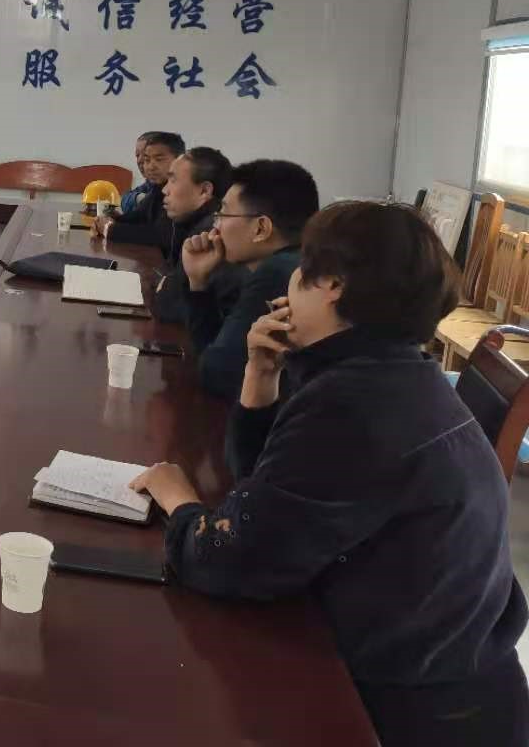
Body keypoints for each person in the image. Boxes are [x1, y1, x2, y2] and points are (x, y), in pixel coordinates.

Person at [129, 202, 529, 746]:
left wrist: (179, 499)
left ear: (333, 286)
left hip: (412, 714)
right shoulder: (389, 371)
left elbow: (232, 559)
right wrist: (260, 376)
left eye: (302, 273)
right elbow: (271, 492)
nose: (289, 286)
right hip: (442, 679)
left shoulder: (354, 402)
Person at [181, 160, 320, 399]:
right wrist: (198, 281)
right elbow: (217, 353)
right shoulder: (300, 262)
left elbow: (217, 373)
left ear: (261, 228)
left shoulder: (277, 273)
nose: (215, 227)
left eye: (223, 214)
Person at [150, 146, 235, 323]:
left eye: (173, 180)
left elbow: (169, 306)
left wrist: (166, 286)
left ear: (204, 191)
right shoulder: (192, 222)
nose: (165, 190)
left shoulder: (211, 232)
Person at [94, 131, 184, 249]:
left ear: (179, 160)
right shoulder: (158, 186)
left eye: (159, 159)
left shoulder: (183, 189)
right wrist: (107, 220)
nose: (150, 166)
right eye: (147, 160)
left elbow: (160, 235)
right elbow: (138, 217)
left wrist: (108, 229)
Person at [118, 132, 158, 214]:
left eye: (145, 154)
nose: (139, 160)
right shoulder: (149, 183)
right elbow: (125, 198)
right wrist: (139, 198)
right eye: (137, 155)